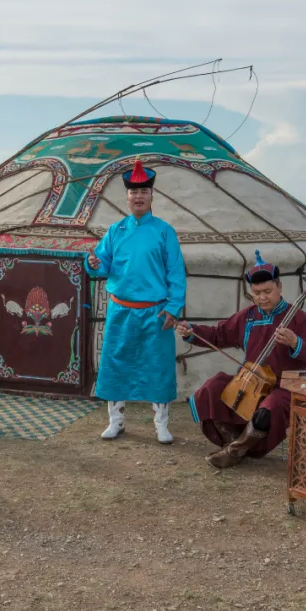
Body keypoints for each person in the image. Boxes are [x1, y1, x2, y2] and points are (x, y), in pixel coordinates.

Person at [177, 251, 306, 469]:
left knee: (270, 407)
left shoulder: (297, 317)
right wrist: (191, 331)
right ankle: (235, 442)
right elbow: (220, 334)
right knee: (212, 388)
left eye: (268, 291)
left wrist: (295, 342)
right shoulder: (248, 316)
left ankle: (235, 451)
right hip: (250, 381)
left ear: (280, 287)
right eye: (257, 293)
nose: (263, 297)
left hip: (283, 386)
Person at [86, 158, 187, 444]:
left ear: (152, 195)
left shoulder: (164, 231)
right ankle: (115, 422)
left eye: (143, 192)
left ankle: (161, 425)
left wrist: (173, 308)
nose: (138, 197)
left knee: (157, 367)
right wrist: (92, 261)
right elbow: (101, 264)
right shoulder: (115, 231)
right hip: (121, 311)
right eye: (133, 192)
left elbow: (176, 274)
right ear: (127, 197)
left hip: (155, 313)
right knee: (116, 364)